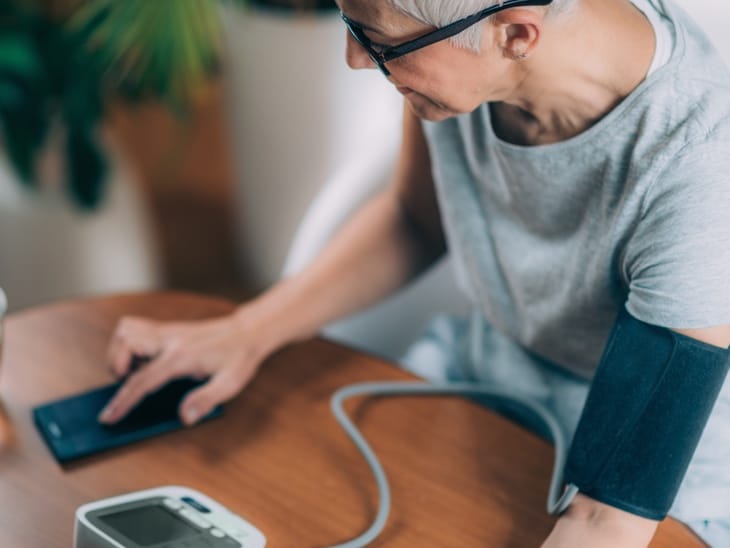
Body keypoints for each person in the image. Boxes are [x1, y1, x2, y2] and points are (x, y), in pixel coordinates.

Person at [98, 0, 730, 545]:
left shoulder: (701, 176)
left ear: (516, 34)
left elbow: (605, 521)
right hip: (483, 384)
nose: (354, 57)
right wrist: (243, 331)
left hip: (661, 482)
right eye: (348, 21)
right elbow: (413, 219)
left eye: (376, 38)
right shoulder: (465, 67)